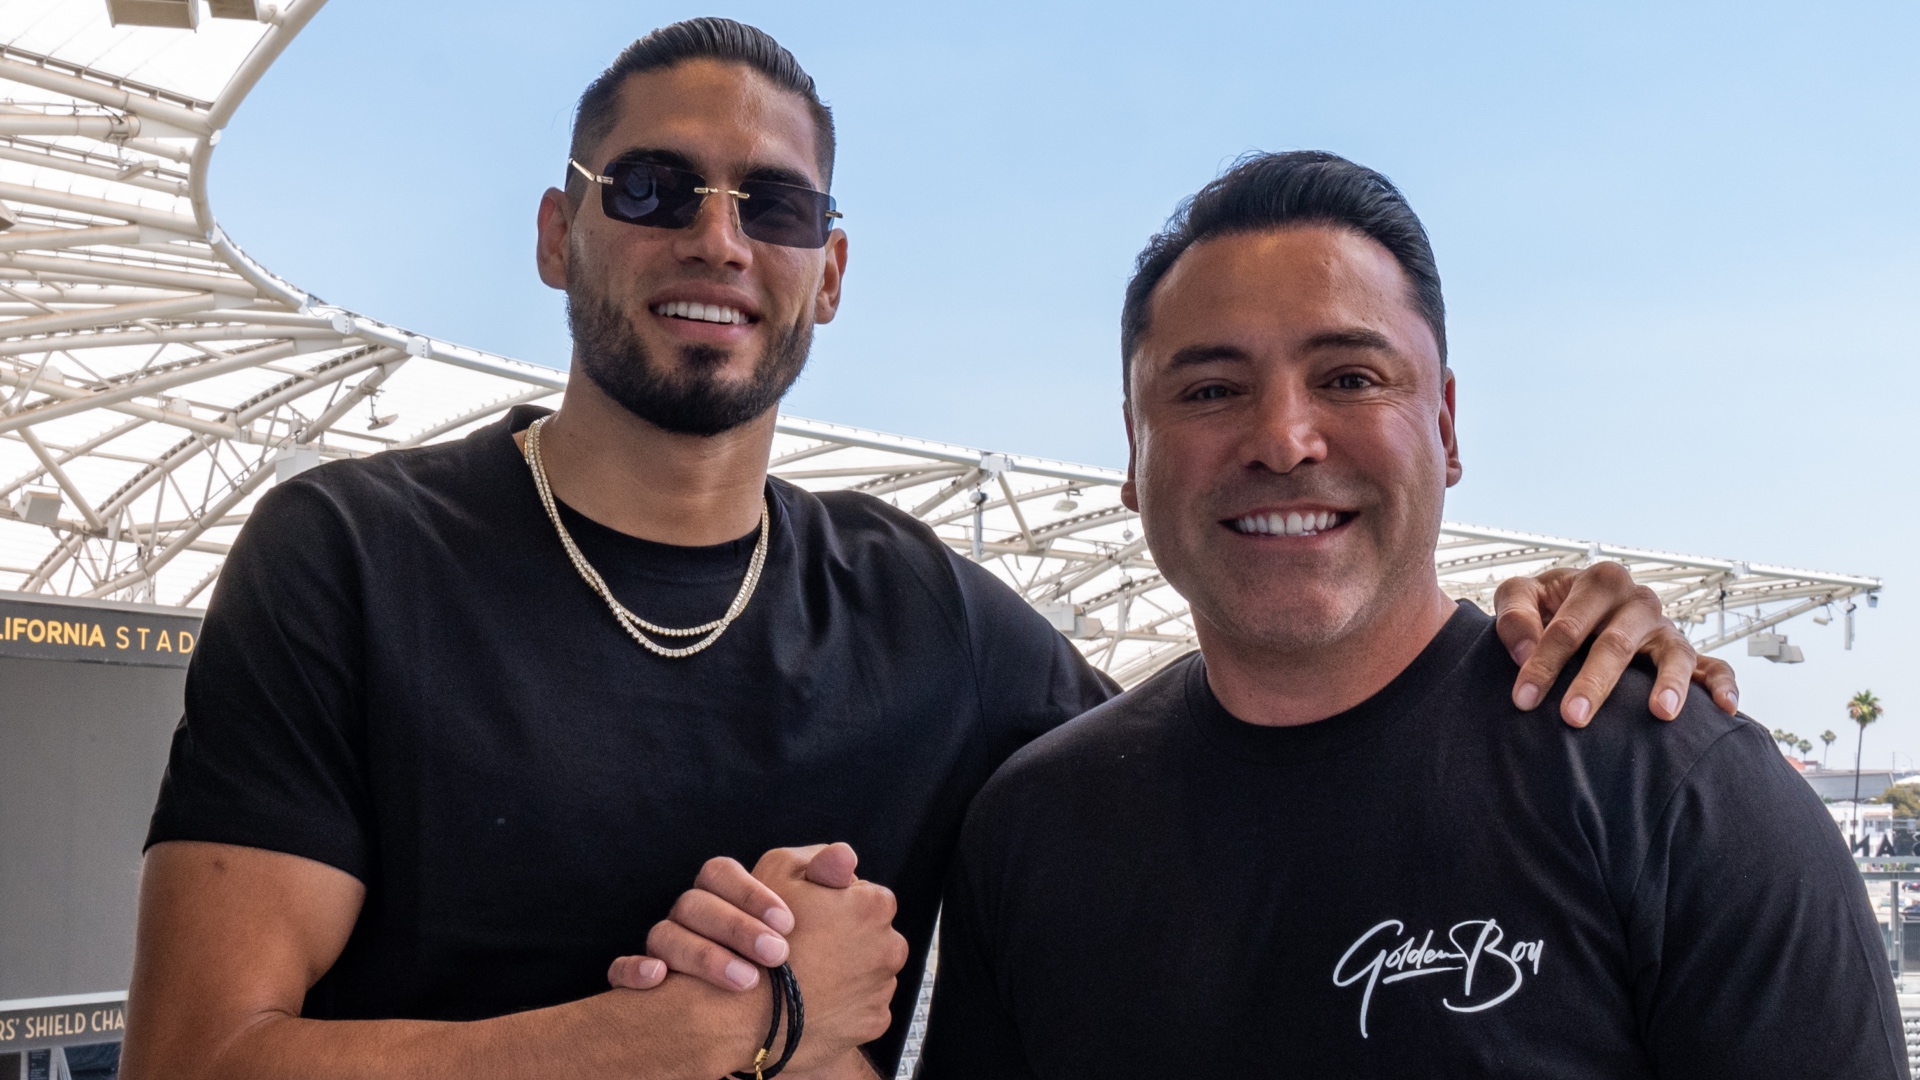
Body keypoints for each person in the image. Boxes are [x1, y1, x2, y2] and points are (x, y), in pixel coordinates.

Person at [120, 22, 1738, 1080]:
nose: (717, 239)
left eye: (778, 209)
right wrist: (690, 1035)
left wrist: (1545, 643)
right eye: (655, 188)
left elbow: (1270, 718)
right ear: (559, 231)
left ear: (831, 274)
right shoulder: (349, 558)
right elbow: (195, 1058)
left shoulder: (932, 625)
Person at [916, 151, 1903, 1079]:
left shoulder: (1673, 789)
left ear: (1447, 424)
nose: (1283, 438)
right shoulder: (1032, 827)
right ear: (1134, 455)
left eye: (1349, 377)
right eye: (1212, 389)